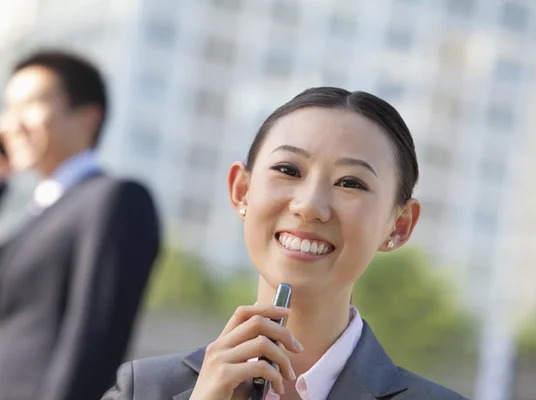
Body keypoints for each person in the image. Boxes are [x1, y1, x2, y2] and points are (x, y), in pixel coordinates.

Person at [102, 87, 467, 400]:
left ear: (399, 225)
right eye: (288, 170)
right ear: (242, 190)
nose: (309, 206)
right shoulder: (142, 388)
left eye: (351, 183)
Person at [0, 50, 160, 400]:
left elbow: (94, 341)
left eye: (29, 105)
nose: (8, 123)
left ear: (88, 118)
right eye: (7, 108)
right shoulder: (42, 213)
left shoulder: (113, 200)